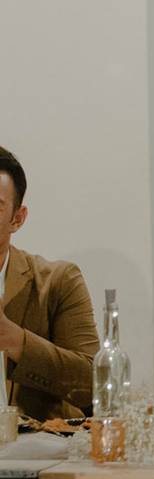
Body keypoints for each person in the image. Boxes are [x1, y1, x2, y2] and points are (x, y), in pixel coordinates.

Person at [0, 146, 99, 420]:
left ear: (17, 219)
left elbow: (93, 386)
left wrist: (16, 341)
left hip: (33, 452)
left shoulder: (57, 281)